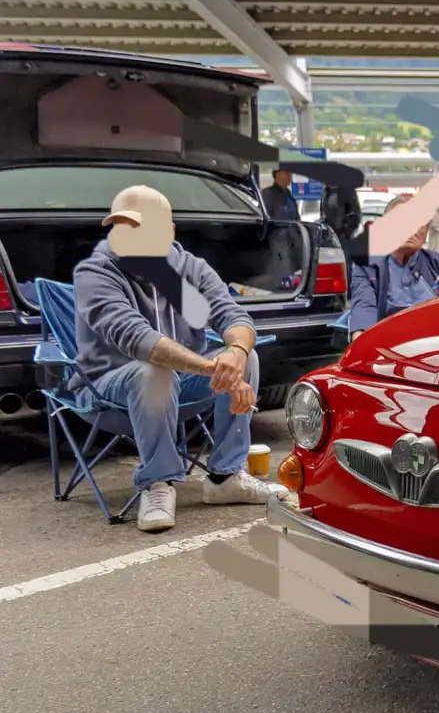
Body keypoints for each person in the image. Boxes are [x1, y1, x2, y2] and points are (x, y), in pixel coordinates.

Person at [72, 185, 289, 533]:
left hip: (179, 383)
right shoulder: (96, 274)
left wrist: (235, 352)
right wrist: (213, 367)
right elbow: (138, 339)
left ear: (168, 232)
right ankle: (158, 483)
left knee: (246, 358)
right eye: (121, 226)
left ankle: (225, 477)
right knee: (153, 371)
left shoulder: (187, 271)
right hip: (106, 386)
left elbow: (231, 316)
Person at [347, 194, 439, 339]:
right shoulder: (367, 267)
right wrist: (361, 339)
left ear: (426, 232)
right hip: (386, 341)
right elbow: (364, 308)